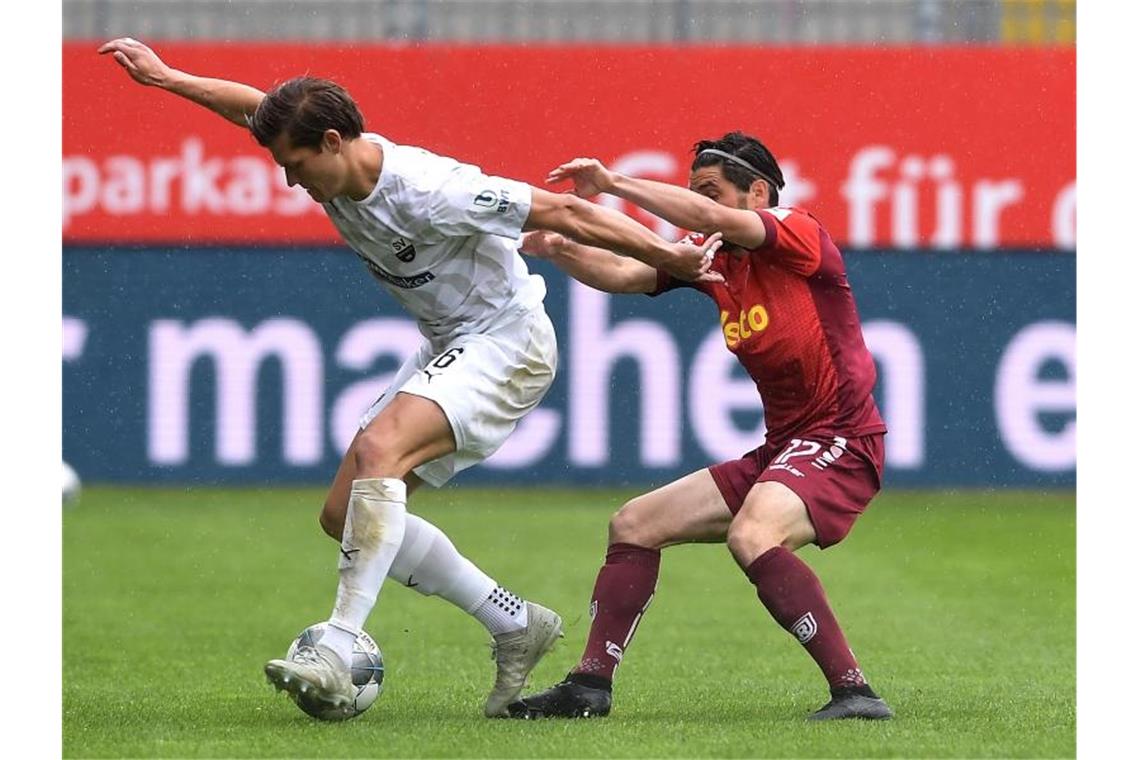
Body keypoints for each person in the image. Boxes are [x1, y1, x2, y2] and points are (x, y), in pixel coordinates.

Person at [98, 38, 723, 720]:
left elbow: (567, 212)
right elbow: (253, 107)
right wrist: (165, 79)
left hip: (506, 342)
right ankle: (515, 623)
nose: (290, 182)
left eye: (297, 166)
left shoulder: (430, 191)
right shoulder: (325, 155)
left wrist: (672, 257)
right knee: (344, 515)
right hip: (448, 342)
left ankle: (338, 644)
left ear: (334, 141)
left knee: (379, 453)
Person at [508, 132, 893, 721]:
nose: (698, 205)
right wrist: (557, 246)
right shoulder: (716, 260)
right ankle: (590, 686)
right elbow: (623, 271)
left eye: (709, 191)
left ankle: (855, 692)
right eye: (693, 192)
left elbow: (709, 218)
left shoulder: (796, 230)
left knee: (752, 535)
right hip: (785, 448)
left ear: (757, 192)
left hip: (841, 437)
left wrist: (611, 184)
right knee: (635, 524)